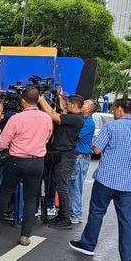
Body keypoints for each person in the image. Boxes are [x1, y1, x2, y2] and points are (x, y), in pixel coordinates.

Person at [69, 98, 131, 261]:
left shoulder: (111, 126)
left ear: (120, 109)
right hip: (128, 183)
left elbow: (97, 149)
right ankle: (127, 257)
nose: (114, 112)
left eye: (114, 109)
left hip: (106, 179)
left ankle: (88, 245)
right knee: (127, 219)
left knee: (97, 213)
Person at [0, 88, 52, 246]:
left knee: (4, 193)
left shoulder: (16, 118)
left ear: (23, 101)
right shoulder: (47, 118)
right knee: (30, 198)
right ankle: (25, 235)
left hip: (16, 159)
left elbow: (2, 143)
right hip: (37, 161)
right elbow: (47, 137)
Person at [38, 92, 85, 229]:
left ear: (74, 105)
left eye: (68, 103)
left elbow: (53, 115)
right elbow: (58, 112)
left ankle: (65, 218)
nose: (65, 105)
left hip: (66, 156)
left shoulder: (76, 119)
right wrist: (59, 96)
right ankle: (61, 215)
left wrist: (41, 100)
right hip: (59, 154)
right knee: (58, 185)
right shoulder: (71, 116)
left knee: (62, 187)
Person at [68, 99, 98, 223]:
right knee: (72, 185)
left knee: (75, 185)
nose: (82, 104)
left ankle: (75, 213)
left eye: (85, 103)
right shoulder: (83, 120)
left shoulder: (88, 123)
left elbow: (75, 134)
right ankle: (74, 212)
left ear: (89, 109)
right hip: (79, 157)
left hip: (80, 157)